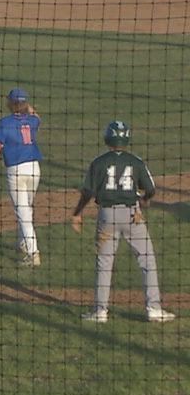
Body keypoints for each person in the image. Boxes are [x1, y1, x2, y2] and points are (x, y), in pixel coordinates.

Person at [71, 121, 175, 323]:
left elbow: (88, 192)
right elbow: (151, 189)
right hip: (132, 216)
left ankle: (100, 311)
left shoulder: (98, 162)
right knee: (147, 261)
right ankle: (153, 308)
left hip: (107, 217)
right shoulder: (135, 161)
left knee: (104, 263)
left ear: (107, 137)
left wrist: (77, 213)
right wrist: (144, 201)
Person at [0, 87, 43, 266]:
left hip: (16, 172)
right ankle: (22, 243)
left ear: (10, 104)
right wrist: (27, 106)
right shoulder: (32, 121)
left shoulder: (5, 122)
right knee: (27, 208)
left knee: (22, 212)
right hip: (34, 169)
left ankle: (33, 253)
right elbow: (37, 115)